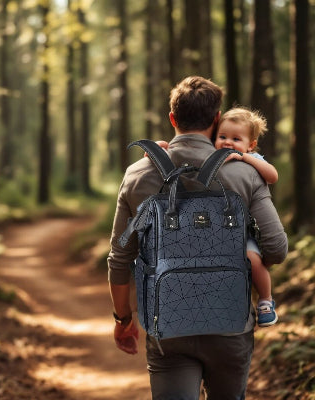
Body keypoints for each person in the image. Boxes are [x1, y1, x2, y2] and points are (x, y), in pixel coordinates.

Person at [107, 76, 288, 400]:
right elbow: (277, 247)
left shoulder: (139, 173)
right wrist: (249, 262)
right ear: (216, 118)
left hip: (167, 324)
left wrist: (123, 318)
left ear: (172, 119)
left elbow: (120, 257)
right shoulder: (246, 172)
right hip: (230, 322)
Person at [215, 107, 278, 327]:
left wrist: (246, 159)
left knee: (252, 257)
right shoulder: (212, 156)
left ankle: (266, 300)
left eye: (235, 139)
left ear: (250, 144)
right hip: (218, 227)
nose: (227, 143)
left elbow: (272, 176)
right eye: (222, 137)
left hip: (244, 230)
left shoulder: (252, 158)